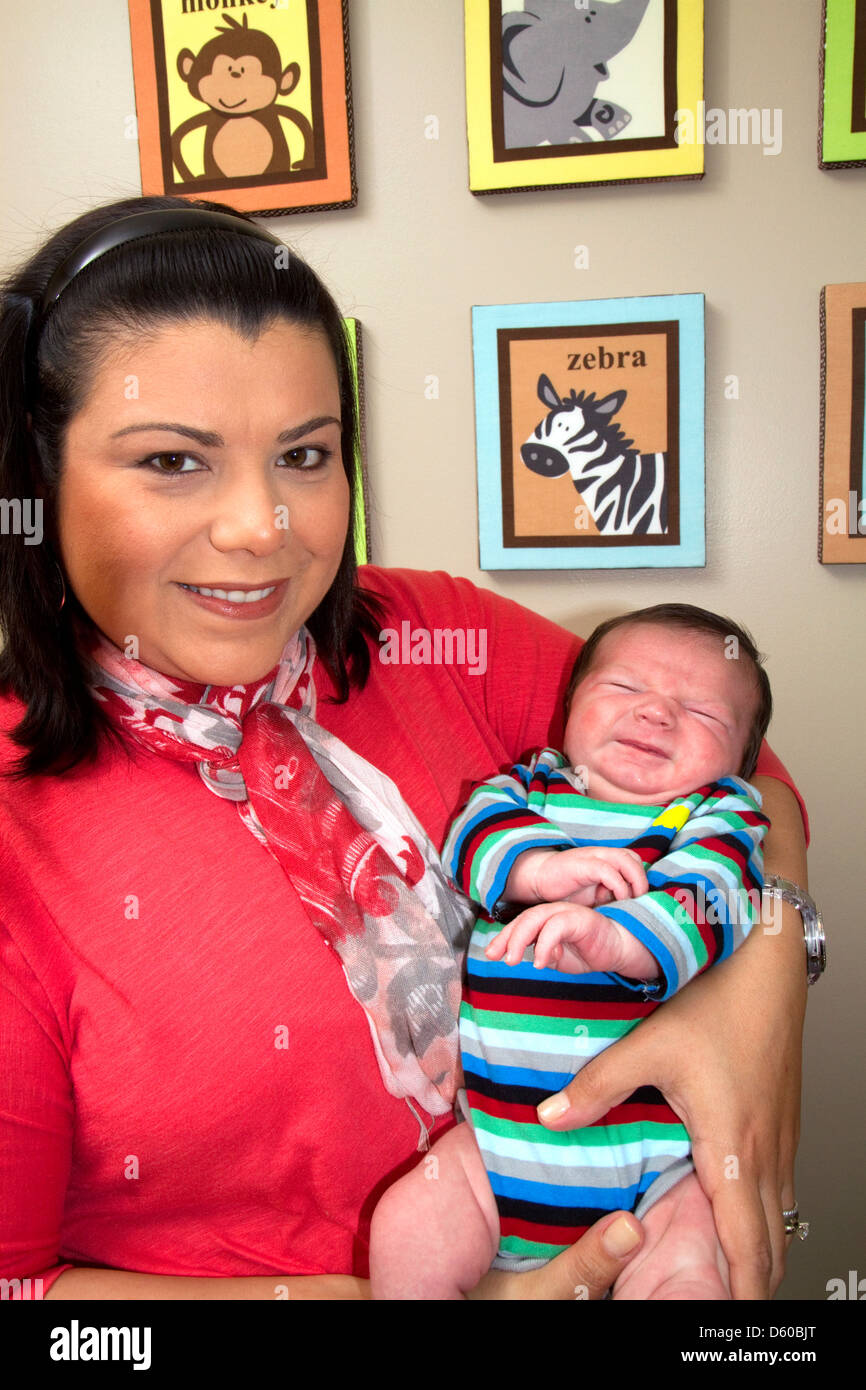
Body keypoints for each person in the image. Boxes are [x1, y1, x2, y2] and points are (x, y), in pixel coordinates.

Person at [0, 194, 809, 1301]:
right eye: (172, 462)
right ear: (36, 482)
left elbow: (747, 772)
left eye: (304, 454)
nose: (261, 528)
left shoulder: (433, 634)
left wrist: (762, 983)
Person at [369, 605, 771, 1299]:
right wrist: (539, 871)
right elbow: (473, 839)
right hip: (495, 1149)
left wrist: (622, 937)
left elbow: (717, 895)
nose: (655, 714)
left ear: (740, 763)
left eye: (702, 713)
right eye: (623, 689)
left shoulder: (718, 815)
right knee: (405, 1225)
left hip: (661, 1165)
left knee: (695, 1269)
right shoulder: (529, 788)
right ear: (567, 712)